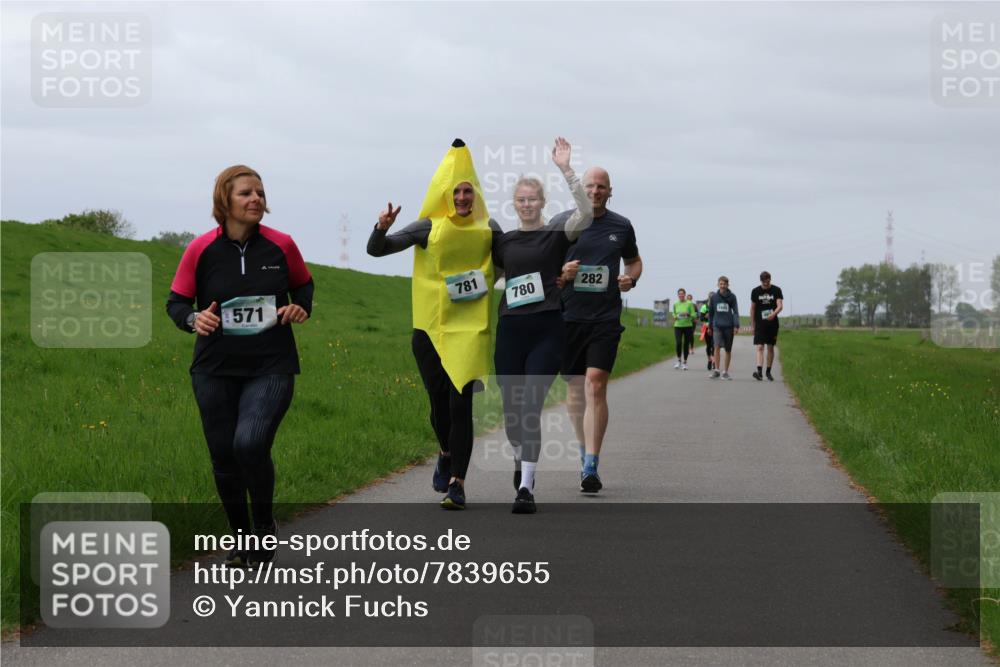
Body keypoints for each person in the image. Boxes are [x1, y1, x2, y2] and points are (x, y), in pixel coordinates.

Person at [167, 165, 313, 567]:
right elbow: (176, 303)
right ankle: (242, 539)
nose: (256, 200)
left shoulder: (281, 245)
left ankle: (264, 529)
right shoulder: (200, 249)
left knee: (249, 444)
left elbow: (303, 283)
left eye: (260, 193)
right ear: (224, 201)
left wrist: (301, 306)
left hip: (272, 364)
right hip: (214, 367)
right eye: (246, 193)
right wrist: (194, 320)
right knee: (223, 455)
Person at [367, 139, 501, 510]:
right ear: (445, 194)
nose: (462, 197)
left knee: (461, 407)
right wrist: (381, 228)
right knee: (439, 407)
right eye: (456, 191)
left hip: (469, 330)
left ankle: (457, 483)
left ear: (475, 194)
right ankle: (445, 451)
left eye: (467, 191)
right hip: (429, 329)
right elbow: (377, 250)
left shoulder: (488, 228)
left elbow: (514, 256)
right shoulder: (428, 227)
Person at [494, 137, 593, 514]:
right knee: (511, 412)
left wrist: (567, 170)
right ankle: (522, 465)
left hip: (547, 329)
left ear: (542, 202)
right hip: (510, 330)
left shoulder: (556, 232)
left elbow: (584, 213)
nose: (527, 203)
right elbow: (487, 277)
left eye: (532, 198)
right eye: (521, 199)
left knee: (530, 405)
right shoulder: (503, 242)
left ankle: (525, 488)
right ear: (514, 203)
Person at [554, 167, 641, 493]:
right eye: (590, 185)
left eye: (601, 186)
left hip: (604, 320)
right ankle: (582, 448)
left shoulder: (621, 226)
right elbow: (548, 268)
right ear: (582, 189)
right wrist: (562, 272)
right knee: (576, 391)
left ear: (609, 191)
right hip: (568, 318)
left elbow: (634, 261)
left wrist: (630, 279)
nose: (595, 191)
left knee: (595, 384)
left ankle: (591, 462)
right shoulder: (565, 223)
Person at [750, 271, 784, 381]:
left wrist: (773, 314)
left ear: (770, 279)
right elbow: (753, 308)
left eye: (767, 281)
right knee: (760, 347)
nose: (766, 284)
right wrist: (753, 324)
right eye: (764, 282)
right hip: (760, 324)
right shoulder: (755, 291)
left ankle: (768, 371)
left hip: (772, 324)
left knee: (770, 348)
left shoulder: (776, 290)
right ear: (761, 281)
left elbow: (780, 306)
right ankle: (759, 372)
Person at [708, 276, 739, 380]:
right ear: (718, 284)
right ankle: (716, 370)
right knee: (716, 347)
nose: (723, 285)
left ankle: (725, 372)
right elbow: (711, 313)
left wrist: (736, 325)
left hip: (729, 326)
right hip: (717, 326)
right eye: (721, 284)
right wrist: (710, 327)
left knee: (728, 350)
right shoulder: (714, 297)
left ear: (727, 285)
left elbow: (735, 312)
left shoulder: (732, 297)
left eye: (725, 284)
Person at [671, 288, 697, 370]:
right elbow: (673, 313)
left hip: (688, 326)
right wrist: (675, 317)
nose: (681, 295)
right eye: (679, 294)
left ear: (684, 295)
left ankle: (685, 362)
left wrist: (688, 314)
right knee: (678, 343)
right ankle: (679, 360)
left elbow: (694, 315)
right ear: (678, 295)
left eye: (682, 294)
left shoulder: (689, 304)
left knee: (686, 344)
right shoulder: (675, 304)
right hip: (678, 326)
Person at [699, 295, 715, 370]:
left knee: (714, 345)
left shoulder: (716, 305)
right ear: (708, 298)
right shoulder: (704, 307)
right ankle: (709, 360)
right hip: (706, 327)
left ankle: (714, 361)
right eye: (710, 298)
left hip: (715, 328)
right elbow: (701, 318)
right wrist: (705, 316)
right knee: (709, 345)